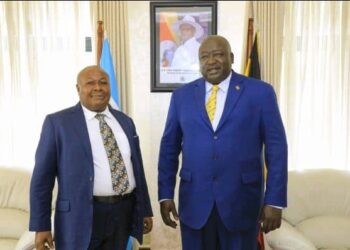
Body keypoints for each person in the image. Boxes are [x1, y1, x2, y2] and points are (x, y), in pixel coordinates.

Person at [158, 35, 288, 249]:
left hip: (242, 202)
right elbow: (169, 149)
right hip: (194, 203)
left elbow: (277, 148)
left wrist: (274, 200)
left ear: (232, 57)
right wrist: (165, 194)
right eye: (204, 56)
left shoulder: (260, 92)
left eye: (218, 54)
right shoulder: (182, 96)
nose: (211, 61)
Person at [30, 65, 153, 250]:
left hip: (122, 213)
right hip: (80, 216)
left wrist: (144, 210)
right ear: (78, 89)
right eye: (90, 83)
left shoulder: (125, 122)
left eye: (103, 82)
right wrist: (41, 226)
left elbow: (137, 170)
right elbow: (42, 180)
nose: (98, 88)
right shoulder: (58, 123)